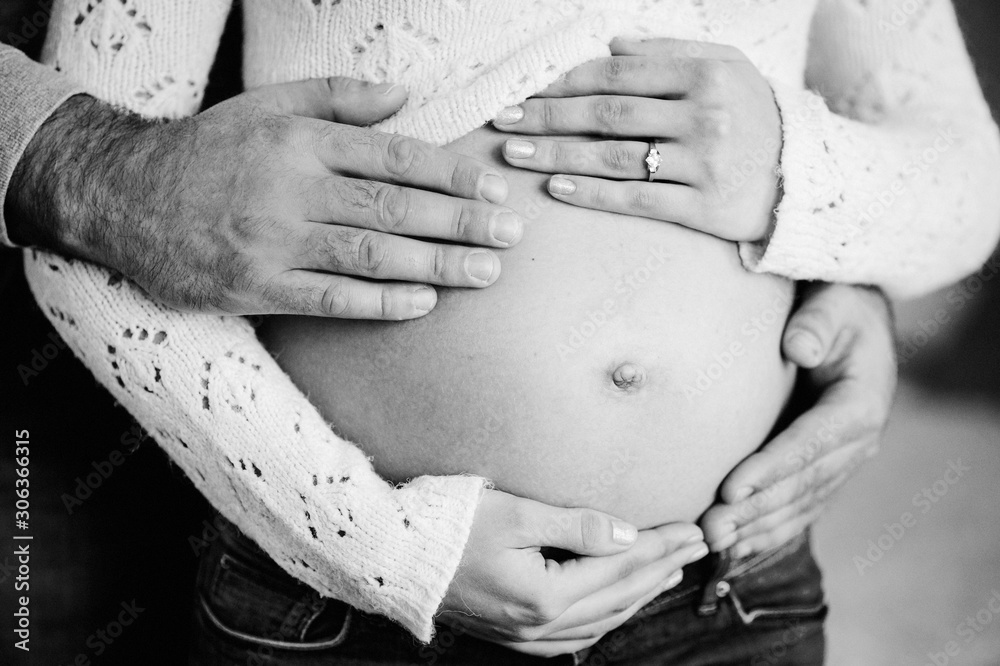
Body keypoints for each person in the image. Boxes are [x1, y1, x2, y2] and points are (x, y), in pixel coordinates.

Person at [4, 0, 996, 661]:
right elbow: (94, 228)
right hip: (345, 604)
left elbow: (967, 177)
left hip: (717, 590)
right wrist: (376, 541)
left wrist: (798, 175)